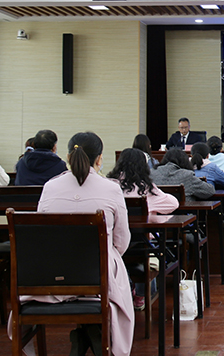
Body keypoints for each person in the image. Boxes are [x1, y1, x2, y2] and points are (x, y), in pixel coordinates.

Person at [34, 132, 134, 356]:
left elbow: (42, 236)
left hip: (53, 279)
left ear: (68, 157)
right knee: (112, 265)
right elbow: (122, 241)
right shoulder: (111, 189)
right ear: (99, 159)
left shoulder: (50, 187)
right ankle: (93, 335)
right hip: (98, 278)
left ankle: (83, 335)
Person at [107, 147, 178, 311]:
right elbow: (173, 204)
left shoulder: (109, 185)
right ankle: (141, 294)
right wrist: (152, 207)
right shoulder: (145, 188)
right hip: (141, 246)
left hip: (113, 246)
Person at [150, 148, 215, 200]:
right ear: (185, 161)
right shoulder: (187, 175)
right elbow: (209, 191)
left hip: (156, 210)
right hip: (185, 212)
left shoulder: (151, 173)